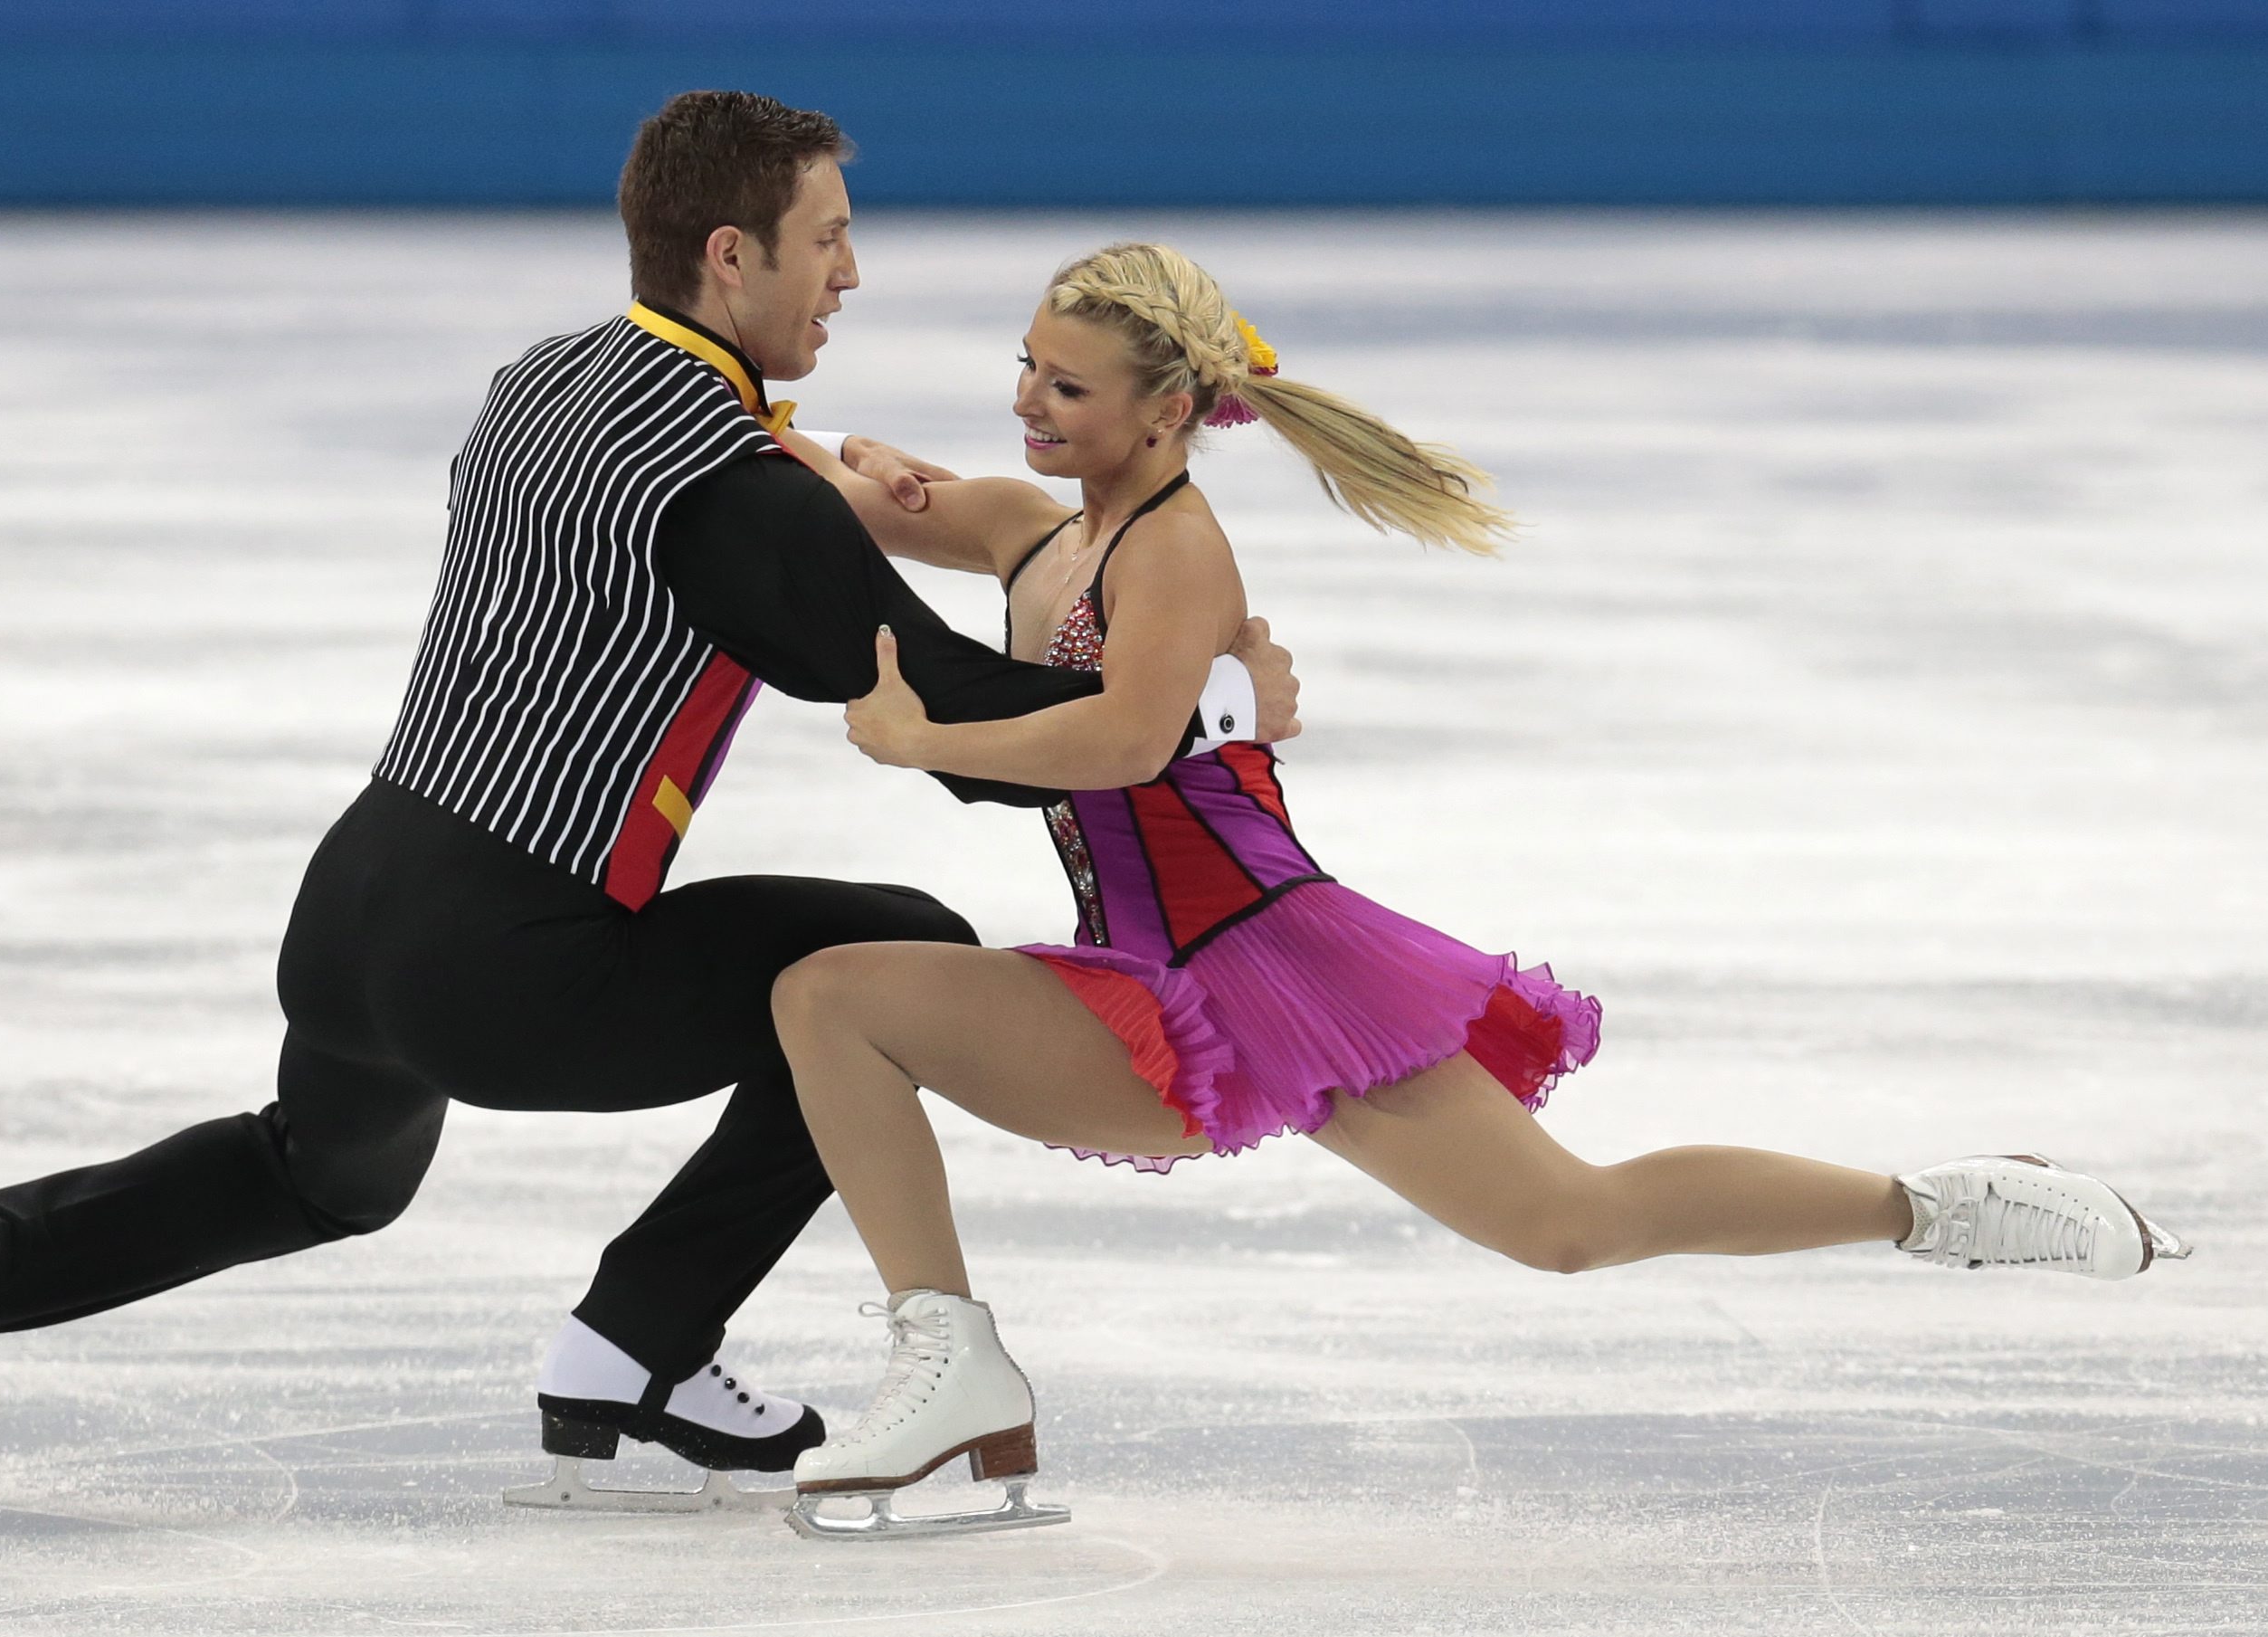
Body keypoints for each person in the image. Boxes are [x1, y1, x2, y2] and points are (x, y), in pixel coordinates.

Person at [0, 98, 1303, 1509]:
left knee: (317, 1173)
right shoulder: (737, 497)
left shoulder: (552, 375)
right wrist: (1205, 707)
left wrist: (859, 496)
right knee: (886, 966)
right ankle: (637, 1341)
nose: (853, 272)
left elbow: (722, 480)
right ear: (732, 253)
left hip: (356, 909)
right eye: (828, 237)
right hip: (510, 963)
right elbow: (948, 723)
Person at [762, 241, 2190, 1536]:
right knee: (834, 999)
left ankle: (1945, 1205)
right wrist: (765, 423)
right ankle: (949, 1354)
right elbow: (853, 500)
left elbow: (1127, 737)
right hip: (1141, 973)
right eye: (1023, 363)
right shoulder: (1037, 527)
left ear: (1166, 411)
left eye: (1065, 383)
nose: (1028, 398)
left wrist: (917, 740)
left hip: (1270, 962)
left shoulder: (1178, 552)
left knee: (1571, 1226)